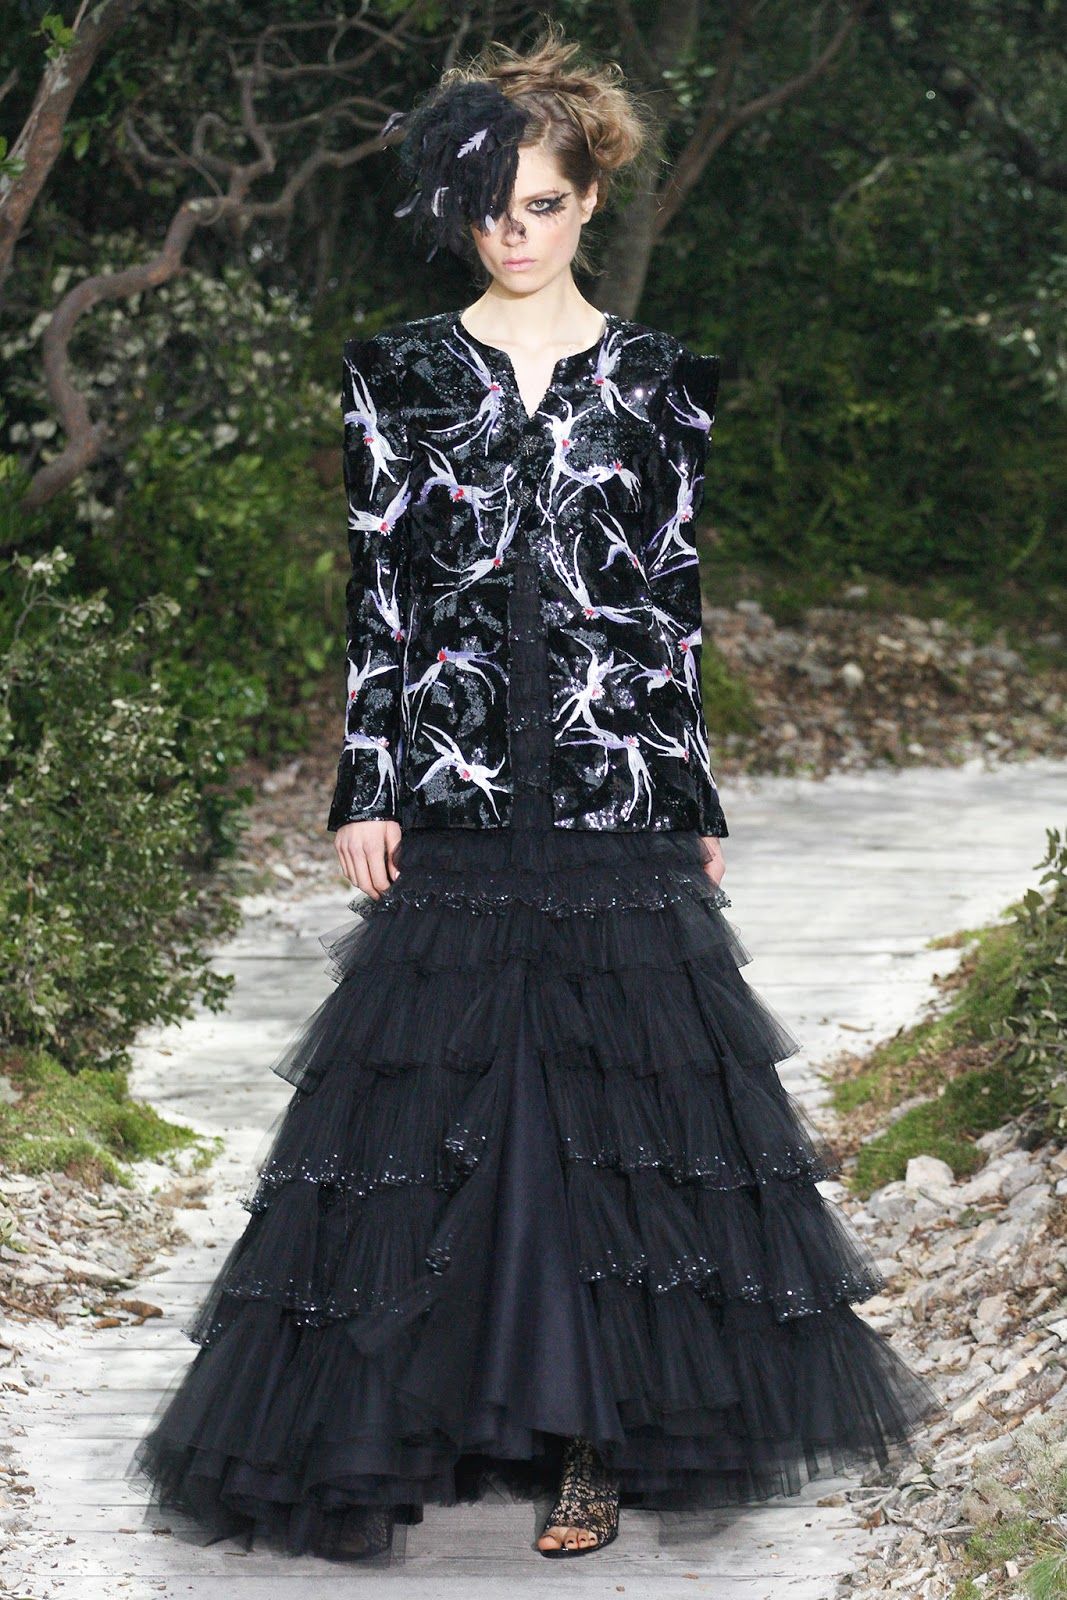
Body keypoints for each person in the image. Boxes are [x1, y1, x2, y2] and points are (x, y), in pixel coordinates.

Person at [128, 25, 943, 1566]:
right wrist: (365, 785)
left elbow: (668, 603)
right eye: (490, 209)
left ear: (590, 200)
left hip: (614, 787)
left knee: (615, 1123)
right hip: (450, 784)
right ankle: (411, 1427)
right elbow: (381, 594)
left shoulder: (659, 383)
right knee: (433, 1122)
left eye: (544, 205)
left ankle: (590, 1445)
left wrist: (691, 790)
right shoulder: (397, 372)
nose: (515, 233)